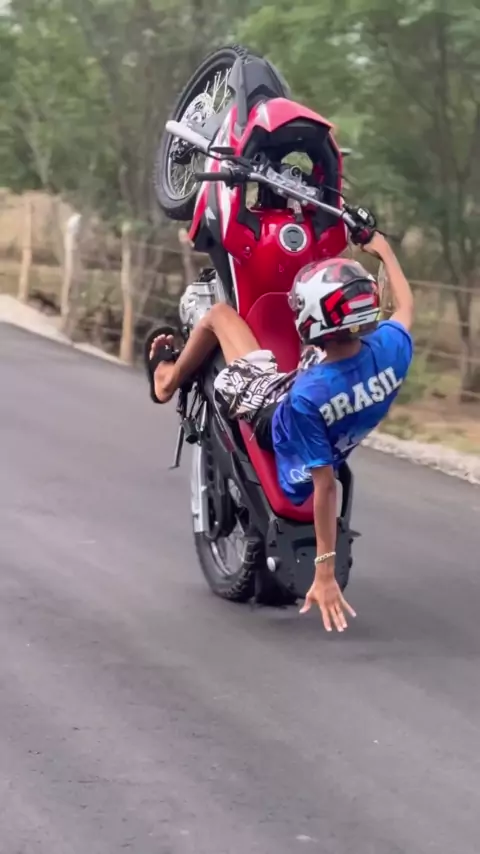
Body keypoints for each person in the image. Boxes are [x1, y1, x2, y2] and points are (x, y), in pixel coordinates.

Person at [146, 233, 414, 633]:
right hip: (342, 410)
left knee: (219, 316)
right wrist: (385, 252)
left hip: (273, 413)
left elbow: (325, 487)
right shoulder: (393, 350)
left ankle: (166, 382)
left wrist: (324, 571)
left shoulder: (308, 397)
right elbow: (406, 307)